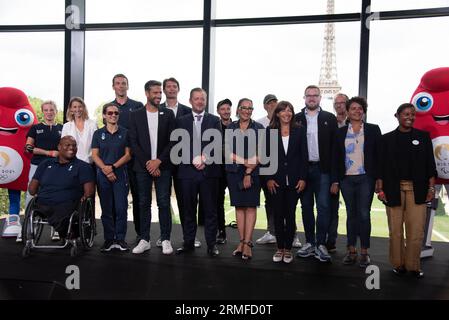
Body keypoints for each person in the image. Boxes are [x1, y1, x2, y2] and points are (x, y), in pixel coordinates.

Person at [377, 103, 436, 278]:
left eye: (412, 114)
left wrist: (431, 187)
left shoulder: (423, 137)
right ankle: (398, 264)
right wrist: (380, 188)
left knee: (416, 231)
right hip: (393, 189)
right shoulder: (386, 139)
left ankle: (413, 266)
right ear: (397, 116)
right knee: (395, 231)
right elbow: (381, 167)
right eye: (405, 114)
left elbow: (430, 166)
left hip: (418, 189)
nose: (410, 117)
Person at [332, 96, 381, 267]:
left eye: (360, 108)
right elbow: (335, 158)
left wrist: (379, 179)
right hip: (346, 178)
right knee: (351, 215)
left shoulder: (373, 130)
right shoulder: (340, 132)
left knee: (364, 214)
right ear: (347, 111)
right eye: (353, 108)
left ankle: (365, 252)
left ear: (364, 111)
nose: (357, 111)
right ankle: (351, 250)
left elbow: (379, 157)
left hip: (366, 178)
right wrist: (335, 181)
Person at [129, 80, 176, 255]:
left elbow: (173, 141)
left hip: (163, 167)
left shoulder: (168, 114)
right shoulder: (135, 115)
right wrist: (149, 163)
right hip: (142, 167)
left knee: (164, 203)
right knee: (143, 203)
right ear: (147, 93)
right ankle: (144, 239)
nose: (158, 96)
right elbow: (133, 142)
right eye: (155, 93)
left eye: (160, 93)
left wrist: (158, 162)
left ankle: (165, 239)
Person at [174, 88, 221, 257]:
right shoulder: (181, 121)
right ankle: (188, 243)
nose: (200, 101)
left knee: (210, 211)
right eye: (196, 98)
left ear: (206, 101)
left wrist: (205, 159)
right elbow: (177, 145)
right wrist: (193, 159)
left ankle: (211, 245)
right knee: (188, 210)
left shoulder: (214, 120)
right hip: (187, 173)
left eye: (202, 99)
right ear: (190, 100)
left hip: (209, 173)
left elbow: (217, 142)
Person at [295, 85, 337, 263]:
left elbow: (335, 150)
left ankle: (321, 243)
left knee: (324, 207)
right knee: (306, 207)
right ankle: (309, 242)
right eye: (308, 96)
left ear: (320, 98)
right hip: (303, 171)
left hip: (323, 170)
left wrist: (335, 179)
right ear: (304, 98)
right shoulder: (296, 118)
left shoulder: (329, 118)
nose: (312, 98)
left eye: (315, 95)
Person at [265, 101, 308, 264]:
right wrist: (268, 178)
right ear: (277, 113)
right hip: (275, 181)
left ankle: (288, 249)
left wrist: (303, 178)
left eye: (290, 110)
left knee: (290, 216)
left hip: (295, 181)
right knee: (277, 215)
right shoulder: (270, 131)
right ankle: (279, 248)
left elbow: (304, 156)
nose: (287, 113)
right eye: (283, 110)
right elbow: (266, 157)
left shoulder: (299, 130)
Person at [28, 136, 95, 239]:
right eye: (67, 145)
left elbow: (89, 192)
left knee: (64, 213)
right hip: (43, 204)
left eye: (74, 145)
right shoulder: (45, 164)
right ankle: (65, 230)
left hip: (68, 205)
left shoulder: (83, 167)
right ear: (59, 147)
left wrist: (84, 198)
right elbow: (32, 190)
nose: (71, 148)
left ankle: (69, 231)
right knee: (39, 207)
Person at [159, 77, 199, 247]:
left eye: (174, 86)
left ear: (178, 89)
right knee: (163, 201)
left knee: (187, 202)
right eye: (168, 86)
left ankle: (189, 236)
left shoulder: (188, 111)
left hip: (184, 163)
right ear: (164, 90)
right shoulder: (156, 109)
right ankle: (164, 237)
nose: (172, 89)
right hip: (164, 162)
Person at [226, 98, 264, 260]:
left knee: (250, 207)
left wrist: (248, 171)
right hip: (234, 173)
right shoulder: (230, 127)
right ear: (238, 109)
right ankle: (241, 242)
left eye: (250, 108)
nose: (247, 111)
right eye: (244, 107)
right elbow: (226, 152)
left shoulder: (259, 127)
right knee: (239, 207)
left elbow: (260, 154)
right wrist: (244, 161)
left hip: (253, 173)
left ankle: (248, 244)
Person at [92, 103, 132, 252]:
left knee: (121, 208)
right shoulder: (98, 134)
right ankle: (109, 239)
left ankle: (120, 239)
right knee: (106, 209)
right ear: (104, 115)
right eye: (109, 113)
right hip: (103, 174)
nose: (113, 115)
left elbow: (128, 155)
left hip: (120, 174)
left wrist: (113, 167)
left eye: (116, 113)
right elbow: (95, 155)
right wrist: (106, 169)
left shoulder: (125, 132)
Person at [110, 74, 144, 242]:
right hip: (117, 160)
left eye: (124, 83)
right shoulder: (110, 107)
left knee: (138, 198)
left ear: (128, 86)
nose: (121, 86)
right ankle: (117, 234)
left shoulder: (137, 106)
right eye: (118, 83)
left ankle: (141, 233)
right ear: (113, 87)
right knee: (118, 199)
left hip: (135, 159)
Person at [22, 100, 63, 242]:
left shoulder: (62, 128)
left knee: (56, 196)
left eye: (51, 110)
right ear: (42, 112)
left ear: (56, 111)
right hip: (37, 165)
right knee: (31, 194)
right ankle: (26, 229)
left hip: (57, 167)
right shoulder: (35, 128)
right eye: (46, 110)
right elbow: (28, 148)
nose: (49, 113)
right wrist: (48, 153)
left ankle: (56, 229)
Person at [326, 93, 349, 253]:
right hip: (333, 170)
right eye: (336, 103)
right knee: (331, 208)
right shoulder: (330, 123)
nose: (339, 105)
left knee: (355, 211)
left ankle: (354, 245)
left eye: (342, 102)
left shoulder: (357, 123)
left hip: (352, 171)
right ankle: (331, 240)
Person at [255, 94, 278, 245]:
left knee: (284, 201)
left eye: (275, 102)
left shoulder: (284, 120)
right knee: (269, 200)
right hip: (262, 167)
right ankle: (271, 232)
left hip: (279, 167)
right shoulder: (259, 123)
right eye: (269, 103)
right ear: (265, 106)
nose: (272, 105)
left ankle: (292, 233)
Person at [215, 98, 233, 244]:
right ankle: (221, 231)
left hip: (235, 169)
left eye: (228, 109)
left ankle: (245, 237)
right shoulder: (214, 127)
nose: (226, 111)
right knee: (218, 202)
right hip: (219, 170)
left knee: (241, 202)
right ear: (218, 111)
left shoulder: (237, 126)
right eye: (223, 109)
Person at [61, 97, 97, 164]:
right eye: (74, 107)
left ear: (83, 108)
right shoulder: (66, 126)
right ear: (71, 109)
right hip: (71, 162)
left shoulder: (92, 124)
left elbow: (97, 145)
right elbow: (64, 146)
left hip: (90, 163)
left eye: (80, 106)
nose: (77, 109)